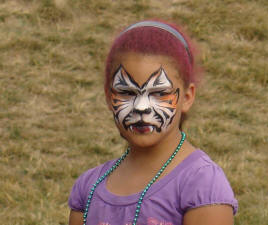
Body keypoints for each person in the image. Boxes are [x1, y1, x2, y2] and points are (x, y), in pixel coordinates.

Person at [68, 20, 238, 225]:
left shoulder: (201, 184)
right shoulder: (89, 188)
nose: (141, 107)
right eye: (127, 92)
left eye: (159, 93)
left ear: (186, 97)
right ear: (109, 97)